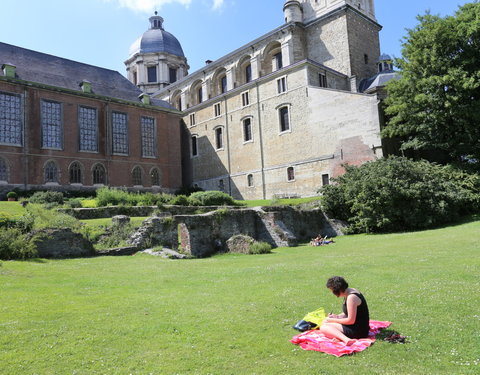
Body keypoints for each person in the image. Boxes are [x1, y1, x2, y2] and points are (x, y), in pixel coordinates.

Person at [319, 276, 370, 345]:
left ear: (337, 290)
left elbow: (350, 321)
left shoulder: (351, 298)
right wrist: (337, 316)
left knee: (324, 327)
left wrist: (332, 320)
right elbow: (349, 312)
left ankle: (346, 339)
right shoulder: (350, 291)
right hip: (357, 326)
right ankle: (340, 337)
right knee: (325, 322)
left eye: (332, 291)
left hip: (358, 331)